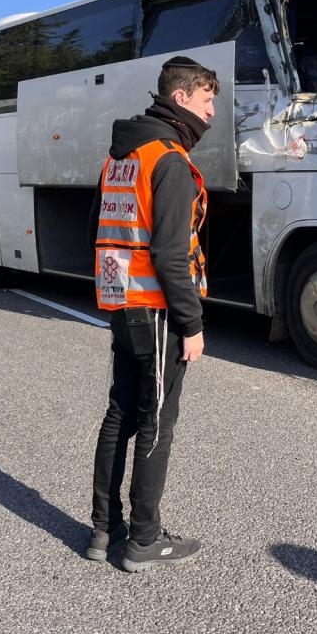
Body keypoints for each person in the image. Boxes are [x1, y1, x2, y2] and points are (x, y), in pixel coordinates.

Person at [87, 55, 216, 573]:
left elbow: (96, 229)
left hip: (121, 302)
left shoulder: (122, 157)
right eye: (207, 100)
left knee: (121, 411)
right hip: (158, 310)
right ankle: (144, 538)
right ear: (181, 98)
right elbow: (170, 254)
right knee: (157, 420)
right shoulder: (170, 161)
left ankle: (104, 528)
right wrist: (192, 323)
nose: (212, 112)